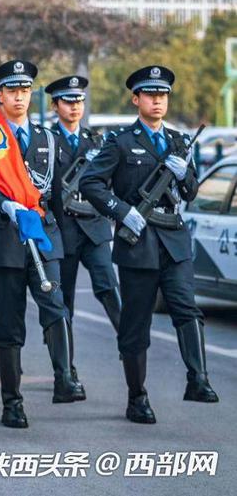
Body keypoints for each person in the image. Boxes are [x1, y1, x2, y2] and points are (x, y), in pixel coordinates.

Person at [80, 65, 219, 424]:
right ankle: (137, 396)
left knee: (186, 308)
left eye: (163, 95)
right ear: (136, 99)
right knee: (136, 324)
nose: (158, 100)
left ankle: (198, 378)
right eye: (151, 95)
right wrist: (122, 212)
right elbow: (92, 183)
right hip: (138, 243)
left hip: (173, 242)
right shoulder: (120, 142)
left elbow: (190, 191)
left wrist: (184, 172)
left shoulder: (176, 141)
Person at [0, 59, 80, 429]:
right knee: (9, 322)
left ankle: (64, 376)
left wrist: (64, 241)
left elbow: (60, 195)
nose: (19, 96)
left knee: (55, 305)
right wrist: (5, 204)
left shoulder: (48, 139)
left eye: (24, 90)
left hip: (44, 233)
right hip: (5, 235)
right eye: (12, 90)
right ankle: (12, 401)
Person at [47, 75, 121, 398]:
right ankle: (65, 370)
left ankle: (127, 342)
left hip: (94, 227)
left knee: (107, 284)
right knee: (64, 305)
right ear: (55, 106)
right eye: (67, 101)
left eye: (78, 101)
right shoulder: (47, 142)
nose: (74, 107)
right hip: (63, 230)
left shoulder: (97, 142)